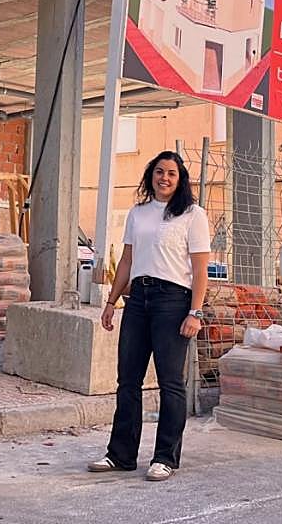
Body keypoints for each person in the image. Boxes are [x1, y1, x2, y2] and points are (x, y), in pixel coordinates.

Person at [88, 150, 210, 482]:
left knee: (171, 381)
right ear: (150, 176)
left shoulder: (192, 214)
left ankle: (165, 457)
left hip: (173, 301)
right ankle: (120, 454)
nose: (164, 178)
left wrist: (195, 312)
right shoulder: (138, 213)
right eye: (159, 172)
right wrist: (112, 301)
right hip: (138, 299)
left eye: (171, 173)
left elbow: (200, 270)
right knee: (128, 380)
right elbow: (127, 260)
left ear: (180, 178)